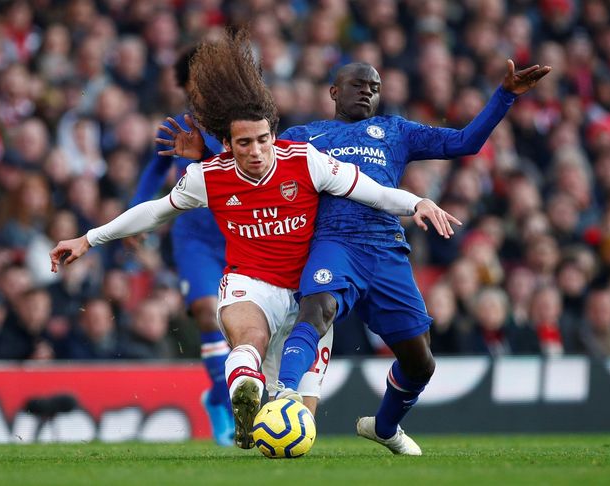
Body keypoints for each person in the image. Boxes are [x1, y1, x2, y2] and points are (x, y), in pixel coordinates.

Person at [49, 30, 460, 451]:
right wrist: (88, 238)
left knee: (299, 427)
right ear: (227, 145)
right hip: (251, 283)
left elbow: (371, 190)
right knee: (251, 341)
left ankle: (263, 415)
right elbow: (154, 211)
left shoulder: (304, 160)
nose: (257, 151)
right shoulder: (209, 176)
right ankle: (243, 393)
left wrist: (417, 203)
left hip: (306, 292)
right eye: (244, 143)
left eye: (263, 140)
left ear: (273, 136)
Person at [271, 60, 551, 455]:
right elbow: (252, 163)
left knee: (421, 363)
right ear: (334, 91)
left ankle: (384, 428)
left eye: (375, 86)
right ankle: (284, 397)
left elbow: (464, 142)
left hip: (386, 250)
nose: (368, 90)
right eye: (358, 84)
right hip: (334, 242)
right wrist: (210, 149)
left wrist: (504, 96)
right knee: (317, 309)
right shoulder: (304, 136)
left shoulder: (394, 130)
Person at [128, 47, 233, 447]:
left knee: (243, 328)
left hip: (241, 233)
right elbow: (155, 168)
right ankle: (224, 406)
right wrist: (138, 213)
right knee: (208, 313)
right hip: (195, 237)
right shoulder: (177, 125)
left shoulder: (241, 124)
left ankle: (219, 396)